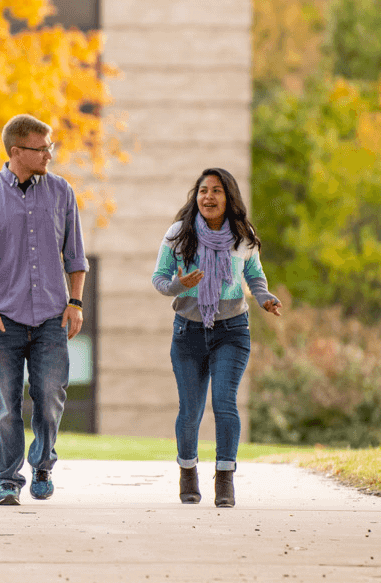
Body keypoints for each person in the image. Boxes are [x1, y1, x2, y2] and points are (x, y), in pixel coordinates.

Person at [0, 114, 87, 506]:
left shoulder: (62, 192)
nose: (49, 154)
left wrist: (76, 301)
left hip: (51, 314)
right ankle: (7, 480)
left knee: (50, 395)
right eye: (42, 148)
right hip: (2, 318)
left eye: (51, 146)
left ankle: (43, 463)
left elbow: (76, 254)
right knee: (4, 403)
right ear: (17, 152)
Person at [151, 167, 281, 508]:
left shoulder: (243, 235)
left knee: (224, 403)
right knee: (190, 409)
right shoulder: (178, 234)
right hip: (188, 332)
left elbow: (254, 275)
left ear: (229, 198)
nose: (208, 197)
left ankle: (225, 477)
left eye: (217, 191)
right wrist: (182, 285)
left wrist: (265, 297)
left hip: (232, 331)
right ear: (196, 197)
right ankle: (188, 471)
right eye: (203, 190)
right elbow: (160, 279)